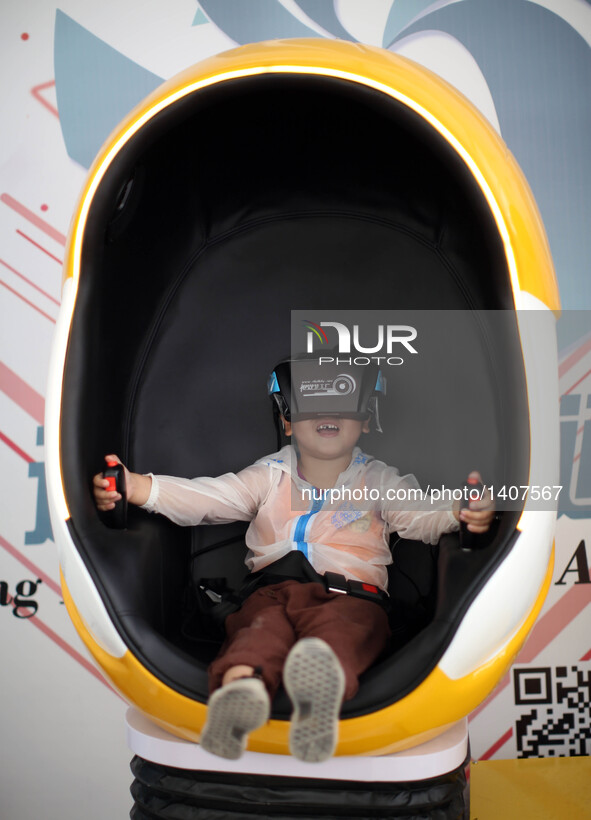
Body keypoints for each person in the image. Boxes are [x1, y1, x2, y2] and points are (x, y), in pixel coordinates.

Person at [93, 359, 495, 763]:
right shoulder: (269, 475)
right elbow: (207, 499)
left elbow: (419, 515)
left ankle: (317, 697)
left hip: (352, 596)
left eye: (342, 408)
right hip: (272, 593)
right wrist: (138, 487)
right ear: (287, 422)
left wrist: (461, 512)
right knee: (255, 635)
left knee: (344, 635)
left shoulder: (377, 480)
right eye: (312, 409)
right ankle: (240, 692)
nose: (328, 417)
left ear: (366, 421)